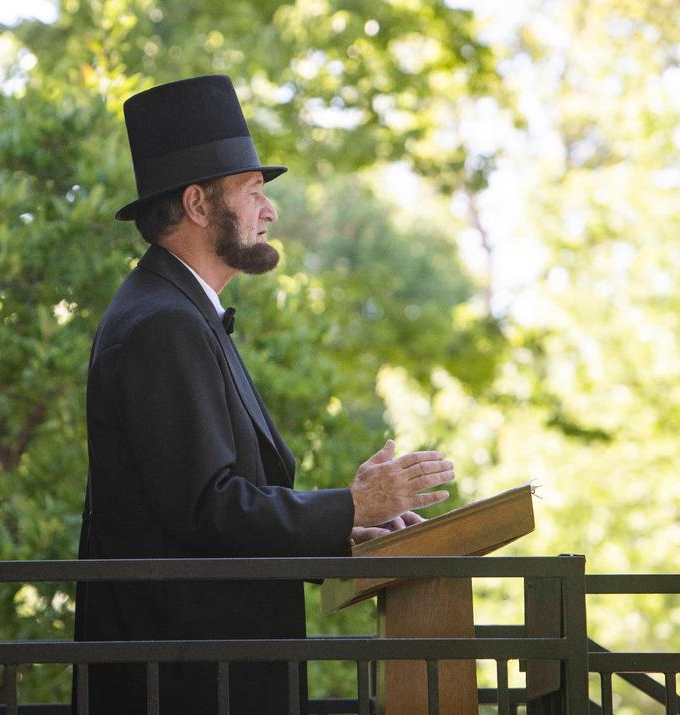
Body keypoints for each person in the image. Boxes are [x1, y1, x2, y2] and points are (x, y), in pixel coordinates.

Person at [73, 75, 455, 714]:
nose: (269, 211)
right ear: (198, 204)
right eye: (252, 192)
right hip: (190, 685)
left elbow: (215, 507)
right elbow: (207, 509)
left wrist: (349, 520)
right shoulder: (162, 321)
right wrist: (348, 506)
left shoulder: (177, 309)